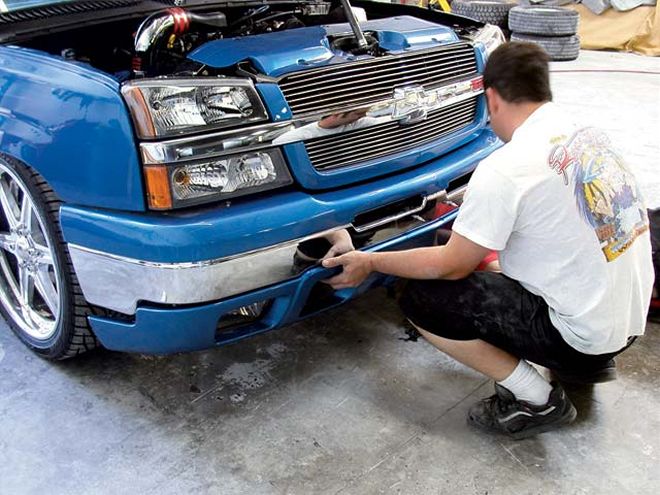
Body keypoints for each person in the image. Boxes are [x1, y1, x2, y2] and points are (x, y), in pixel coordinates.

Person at [321, 42, 654, 440]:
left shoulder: (505, 168)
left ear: (491, 98)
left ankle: (537, 399)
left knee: (423, 298)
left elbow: (451, 265)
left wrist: (370, 261)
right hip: (627, 323)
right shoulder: (586, 134)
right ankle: (585, 361)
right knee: (492, 264)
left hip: (582, 337)